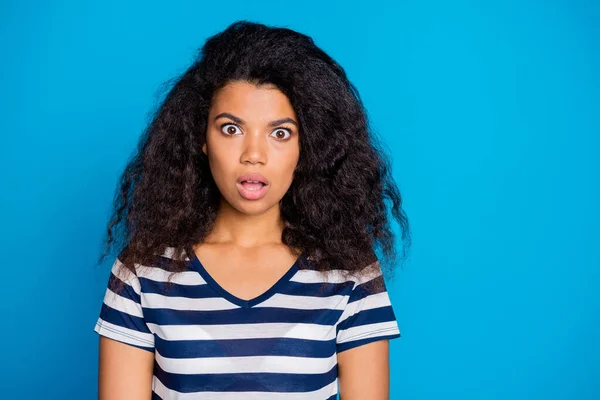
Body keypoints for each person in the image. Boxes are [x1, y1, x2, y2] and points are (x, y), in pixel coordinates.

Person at [94, 20, 411, 399]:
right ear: (201, 139)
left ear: (307, 146)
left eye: (280, 133)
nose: (254, 155)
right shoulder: (142, 271)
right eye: (231, 129)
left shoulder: (350, 272)